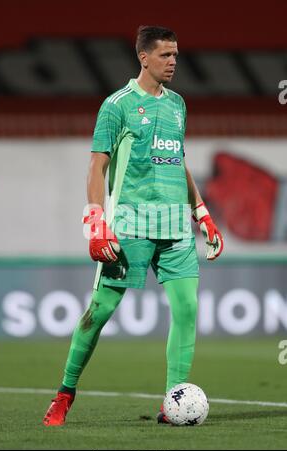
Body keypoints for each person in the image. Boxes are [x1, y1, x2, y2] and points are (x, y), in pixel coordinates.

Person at [43, 25, 223, 426]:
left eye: (176, 54)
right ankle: (65, 392)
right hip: (130, 224)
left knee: (188, 307)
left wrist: (201, 212)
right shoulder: (117, 105)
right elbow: (97, 164)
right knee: (101, 310)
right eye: (165, 55)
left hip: (175, 227)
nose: (173, 61)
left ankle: (172, 403)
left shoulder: (178, 105)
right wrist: (95, 221)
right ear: (143, 57)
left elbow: (178, 160)